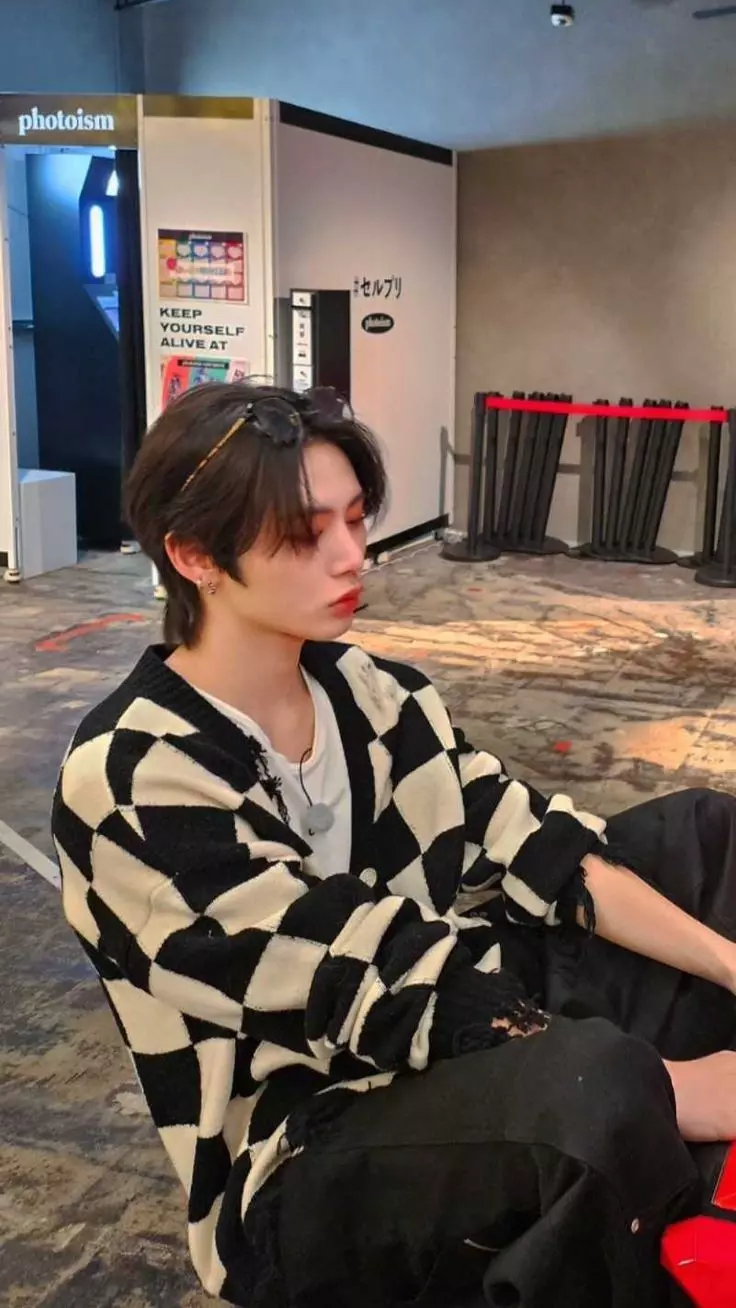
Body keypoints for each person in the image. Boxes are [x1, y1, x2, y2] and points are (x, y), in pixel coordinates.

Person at [51, 381, 736, 1308]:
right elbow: (360, 981)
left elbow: (534, 843)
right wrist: (675, 1086)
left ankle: (649, 1143)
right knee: (591, 1094)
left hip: (459, 1017)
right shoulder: (132, 774)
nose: (352, 554)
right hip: (308, 1144)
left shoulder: (373, 695)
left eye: (355, 518)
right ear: (194, 555)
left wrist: (730, 963)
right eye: (306, 534)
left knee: (701, 835)